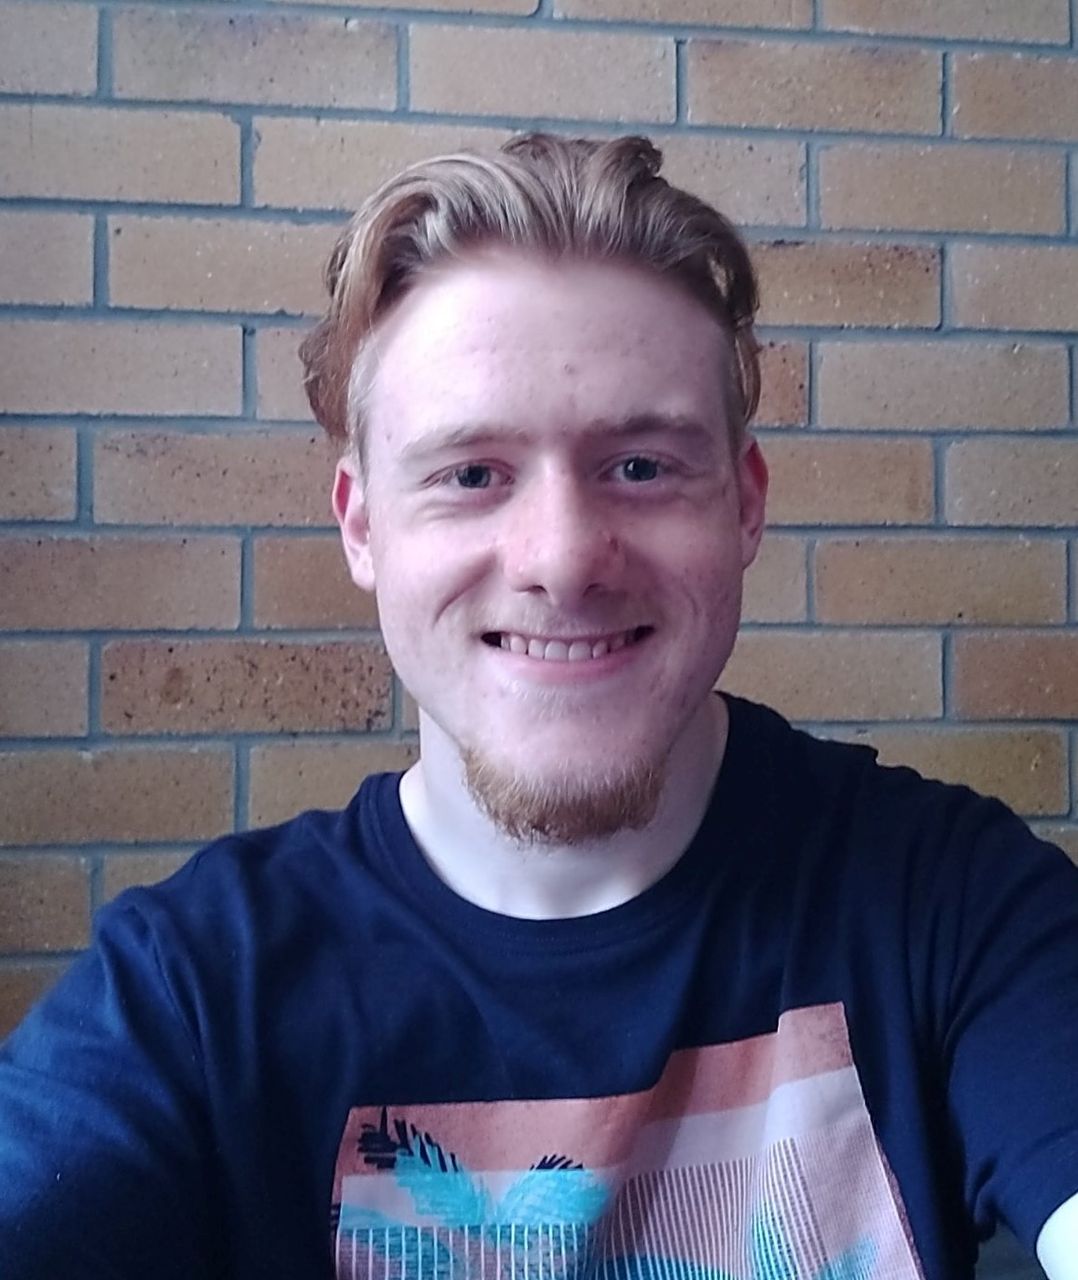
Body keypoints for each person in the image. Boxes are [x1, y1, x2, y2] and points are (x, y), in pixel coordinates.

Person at [1, 133, 1076, 1280]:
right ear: (362, 526)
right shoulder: (191, 995)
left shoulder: (952, 905)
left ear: (744, 506)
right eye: (470, 473)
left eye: (641, 466)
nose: (562, 559)